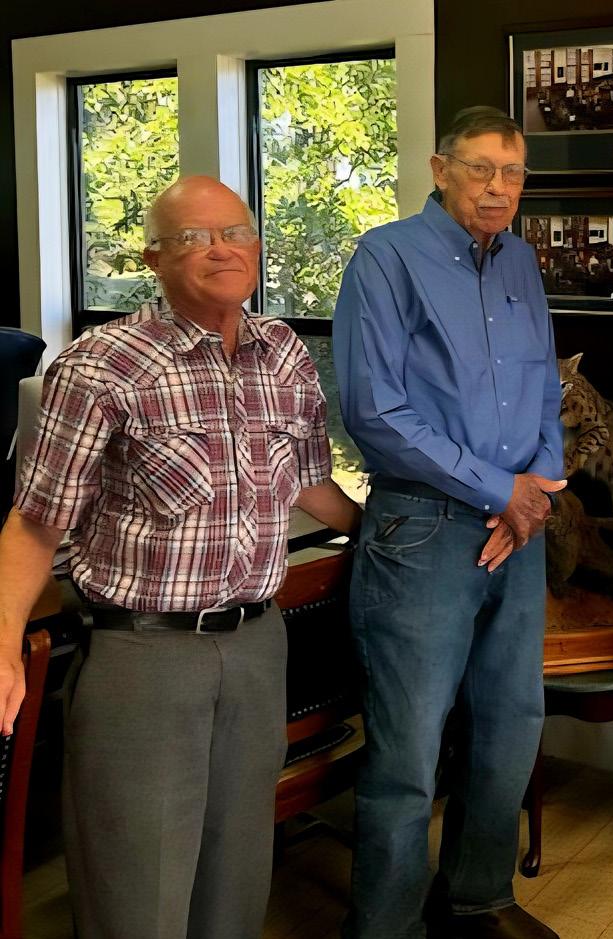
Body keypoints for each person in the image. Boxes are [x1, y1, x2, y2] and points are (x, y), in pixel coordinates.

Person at [0, 175, 361, 939]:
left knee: (236, 883)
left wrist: (396, 530)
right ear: (153, 259)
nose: (220, 250)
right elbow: (33, 526)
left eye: (234, 232)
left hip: (259, 646)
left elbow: (310, 483)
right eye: (193, 238)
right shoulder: (101, 365)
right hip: (144, 659)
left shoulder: (284, 353)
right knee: (137, 896)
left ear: (256, 246)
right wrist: (1, 641)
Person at [333, 106, 564, 939]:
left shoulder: (522, 262)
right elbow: (374, 411)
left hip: (518, 531)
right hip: (423, 530)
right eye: (480, 168)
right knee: (409, 752)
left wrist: (537, 488)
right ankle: (385, 925)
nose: (498, 188)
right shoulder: (385, 257)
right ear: (440, 169)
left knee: (510, 723)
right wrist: (502, 489)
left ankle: (478, 897)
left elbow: (546, 389)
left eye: (513, 172)